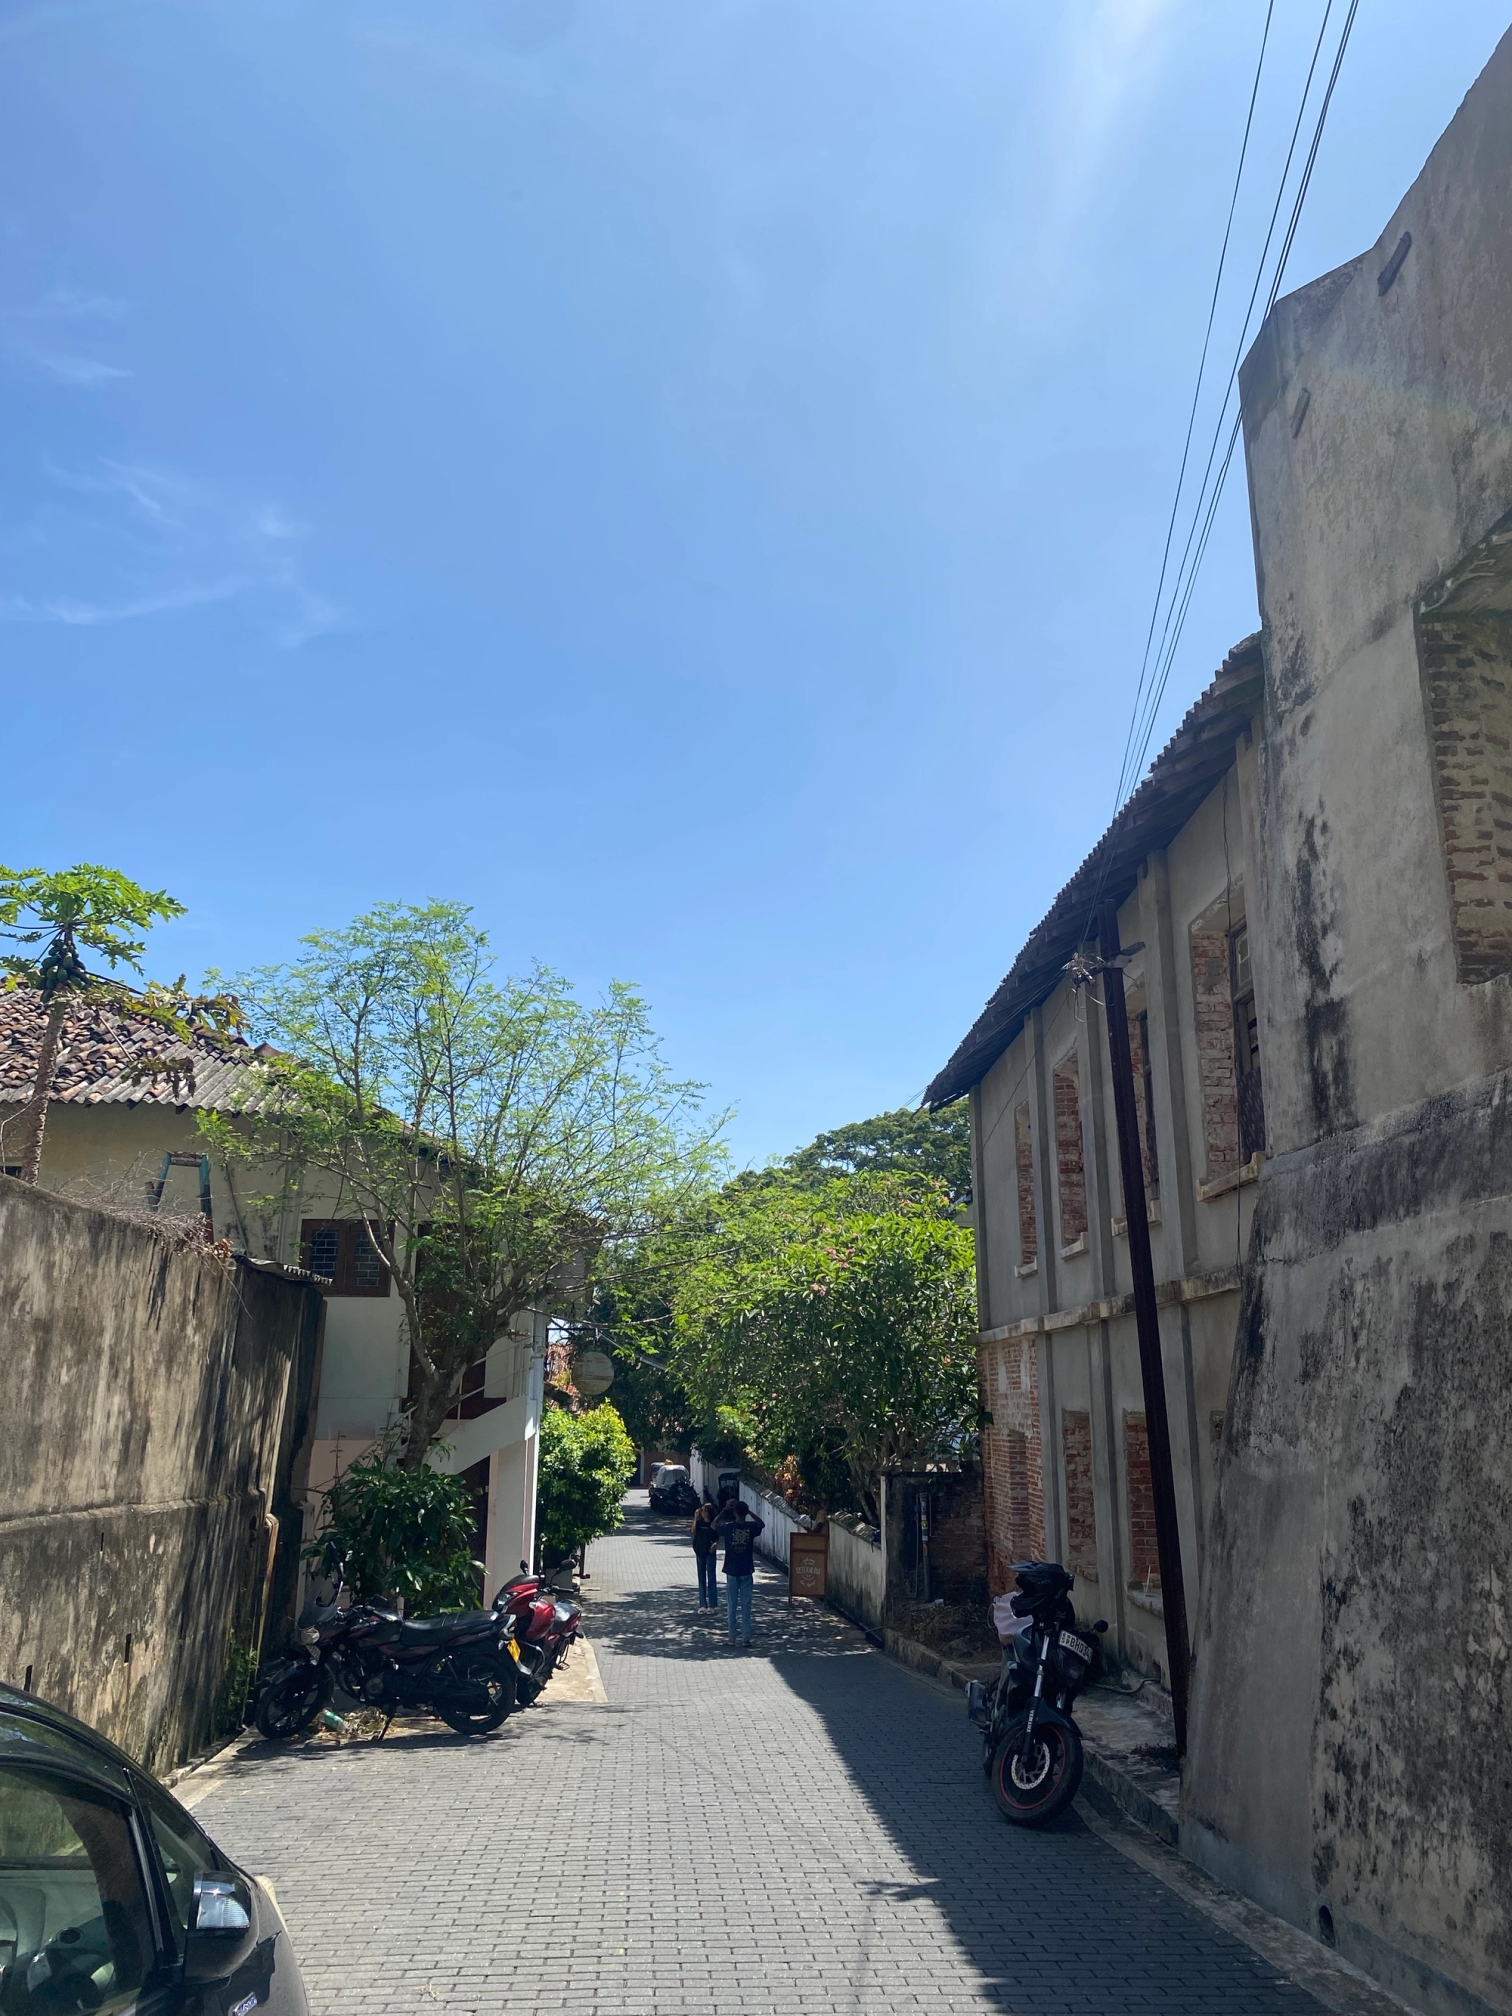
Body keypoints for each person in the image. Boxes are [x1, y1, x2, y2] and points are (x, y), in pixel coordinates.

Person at [713, 1499, 765, 1647]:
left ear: (734, 1513)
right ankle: (746, 1638)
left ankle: (732, 1638)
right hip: (746, 1569)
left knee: (732, 1605)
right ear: (745, 1513)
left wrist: (724, 1509)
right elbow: (761, 1523)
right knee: (746, 1605)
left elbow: (713, 1525)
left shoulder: (728, 1527)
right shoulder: (751, 1527)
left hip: (732, 1570)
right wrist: (749, 1512)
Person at [691, 1498, 720, 1610]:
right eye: (702, 1511)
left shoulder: (713, 1524)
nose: (703, 1513)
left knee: (711, 1577)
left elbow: (717, 1537)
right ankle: (702, 1604)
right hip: (700, 1550)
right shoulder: (699, 1523)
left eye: (705, 1511)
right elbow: (693, 1531)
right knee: (701, 1577)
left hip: (710, 1551)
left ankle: (712, 1604)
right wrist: (695, 1518)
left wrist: (716, 1544)